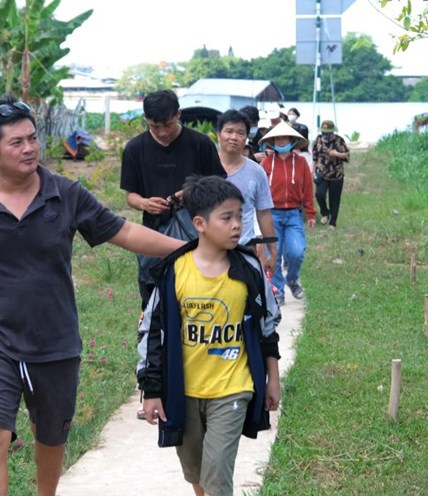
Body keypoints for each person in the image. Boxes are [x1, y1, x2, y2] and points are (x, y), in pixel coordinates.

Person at [0, 96, 185, 496]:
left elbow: (123, 232)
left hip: (55, 342)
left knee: (50, 439)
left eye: (33, 138)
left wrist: (185, 249)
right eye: (16, 142)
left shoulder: (65, 194)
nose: (30, 148)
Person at [139, 175, 281, 496]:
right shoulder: (175, 270)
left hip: (233, 389)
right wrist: (151, 390)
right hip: (184, 391)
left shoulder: (248, 269)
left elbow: (267, 327)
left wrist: (272, 378)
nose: (236, 226)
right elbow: (152, 333)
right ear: (200, 223)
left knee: (217, 476)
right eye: (226, 217)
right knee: (197, 474)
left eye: (239, 216)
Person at [120, 89, 225, 310]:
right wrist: (144, 203)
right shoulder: (135, 148)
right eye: (154, 126)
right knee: (154, 297)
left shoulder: (200, 144)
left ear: (178, 114)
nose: (162, 132)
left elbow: (219, 186)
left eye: (166, 125)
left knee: (198, 294)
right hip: (153, 231)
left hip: (198, 232)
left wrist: (190, 192)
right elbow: (131, 196)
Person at [259, 122, 316, 305]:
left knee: (296, 252)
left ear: (292, 140)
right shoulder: (266, 163)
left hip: (293, 214)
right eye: (277, 138)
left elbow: (308, 189)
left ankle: (292, 279)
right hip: (271, 214)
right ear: (272, 141)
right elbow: (259, 191)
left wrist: (311, 213)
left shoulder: (300, 163)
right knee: (272, 255)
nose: (281, 140)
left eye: (284, 138)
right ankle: (278, 290)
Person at [216, 109, 278, 273]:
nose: (234, 137)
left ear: (246, 138)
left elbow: (264, 213)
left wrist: (272, 250)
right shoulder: (205, 167)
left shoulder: (257, 172)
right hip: (211, 250)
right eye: (229, 131)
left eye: (240, 133)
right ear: (218, 134)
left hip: (244, 248)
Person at [311, 119, 350, 228]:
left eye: (328, 133)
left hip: (336, 174)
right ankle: (325, 212)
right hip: (321, 173)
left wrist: (337, 154)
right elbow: (314, 156)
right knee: (319, 194)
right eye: (324, 133)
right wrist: (312, 170)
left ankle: (333, 222)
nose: (326, 135)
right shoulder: (318, 140)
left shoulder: (339, 140)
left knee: (335, 198)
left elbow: (347, 155)